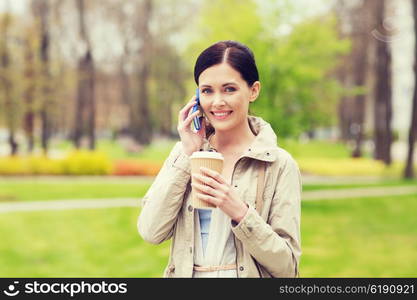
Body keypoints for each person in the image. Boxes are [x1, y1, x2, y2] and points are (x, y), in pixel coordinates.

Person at [138, 40, 302, 278]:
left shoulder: (278, 164)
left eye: (229, 89)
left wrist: (242, 214)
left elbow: (287, 268)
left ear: (253, 90)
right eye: (207, 91)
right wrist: (188, 153)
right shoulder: (185, 154)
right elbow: (151, 231)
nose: (217, 102)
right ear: (197, 97)